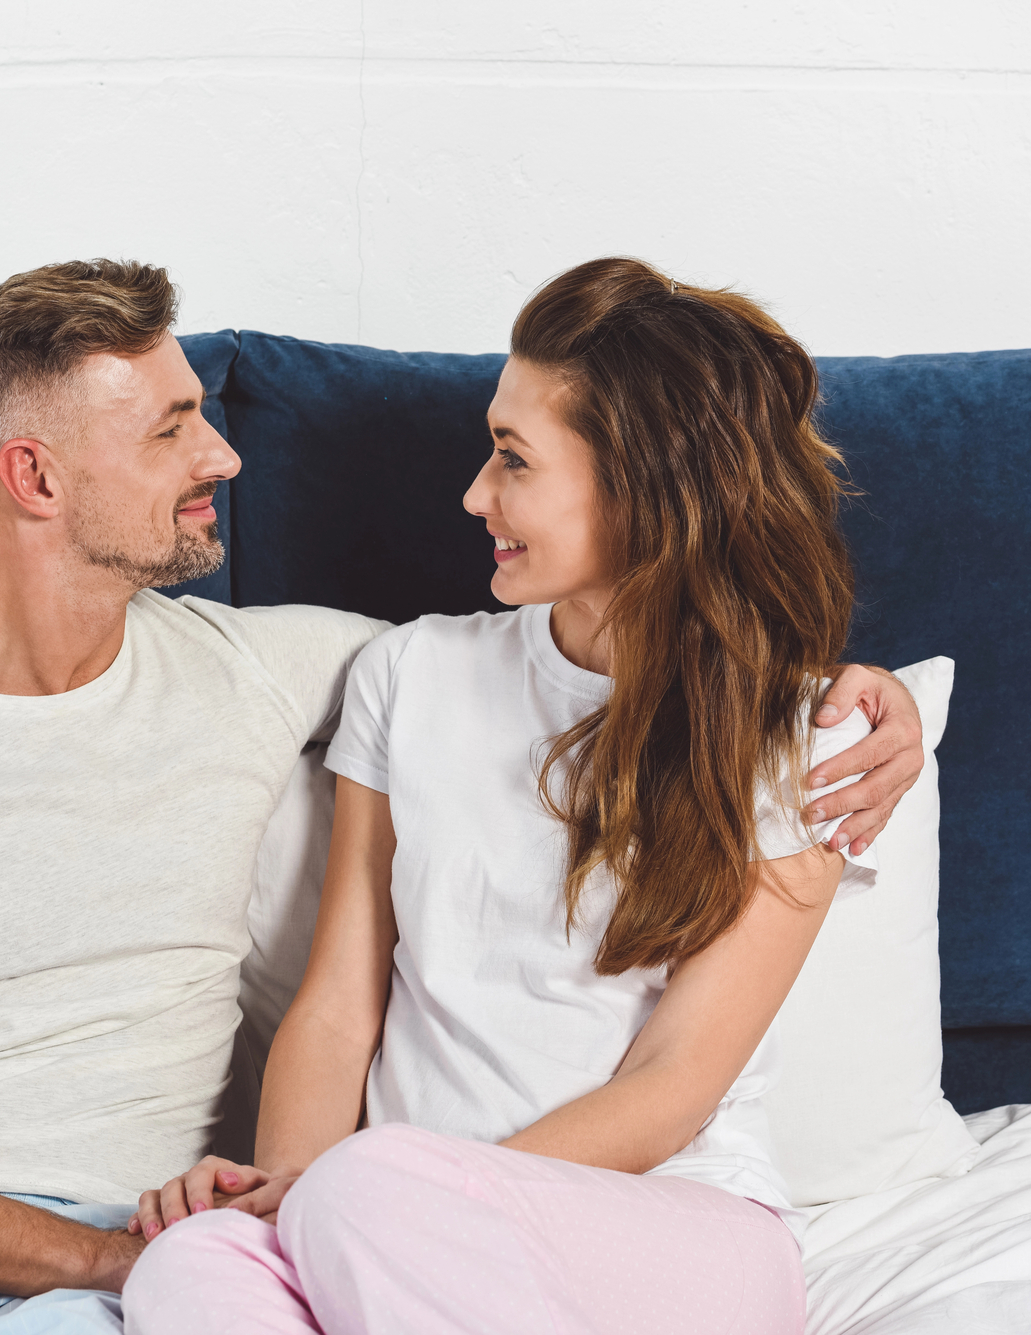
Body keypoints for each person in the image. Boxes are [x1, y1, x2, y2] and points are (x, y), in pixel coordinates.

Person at [0, 259, 924, 1334]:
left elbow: (671, 1058)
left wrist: (861, 697)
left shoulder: (268, 673)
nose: (225, 456)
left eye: (509, 460)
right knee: (153, 1275)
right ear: (33, 478)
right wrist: (221, 1219)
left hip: (466, 1223)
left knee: (282, 1235)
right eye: (169, 431)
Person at [123, 257, 885, 1335]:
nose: (476, 495)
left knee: (361, 1189)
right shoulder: (412, 676)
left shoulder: (802, 739)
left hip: (671, 1229)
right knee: (188, 1264)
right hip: (388, 1233)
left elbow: (675, 1084)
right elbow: (340, 1000)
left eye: (512, 460)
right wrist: (288, 1192)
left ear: (642, 490)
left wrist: (399, 1192)